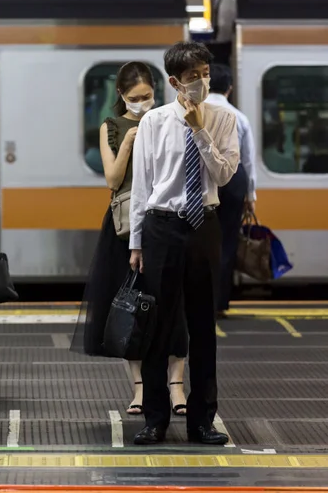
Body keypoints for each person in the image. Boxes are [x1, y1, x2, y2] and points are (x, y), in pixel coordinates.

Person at [129, 41, 239, 445]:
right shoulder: (154, 122)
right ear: (175, 81)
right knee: (158, 325)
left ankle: (202, 420)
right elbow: (143, 187)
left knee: (202, 327)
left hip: (203, 225)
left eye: (205, 73)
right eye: (193, 77)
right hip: (162, 227)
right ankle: (155, 418)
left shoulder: (224, 119)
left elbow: (224, 175)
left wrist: (199, 129)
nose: (202, 82)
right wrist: (136, 244)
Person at [71, 62, 189, 418]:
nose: (143, 103)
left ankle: (177, 385)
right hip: (126, 226)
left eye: (148, 96)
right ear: (121, 96)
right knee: (132, 304)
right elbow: (112, 179)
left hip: (167, 220)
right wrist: (127, 143)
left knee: (175, 303)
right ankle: (138, 387)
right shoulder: (112, 126)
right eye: (135, 98)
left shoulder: (171, 118)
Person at [205, 63, 256, 316]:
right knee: (226, 241)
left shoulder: (196, 113)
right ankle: (220, 304)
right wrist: (251, 195)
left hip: (205, 179)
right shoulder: (239, 117)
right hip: (234, 179)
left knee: (201, 240)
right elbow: (248, 160)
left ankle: (197, 300)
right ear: (230, 88)